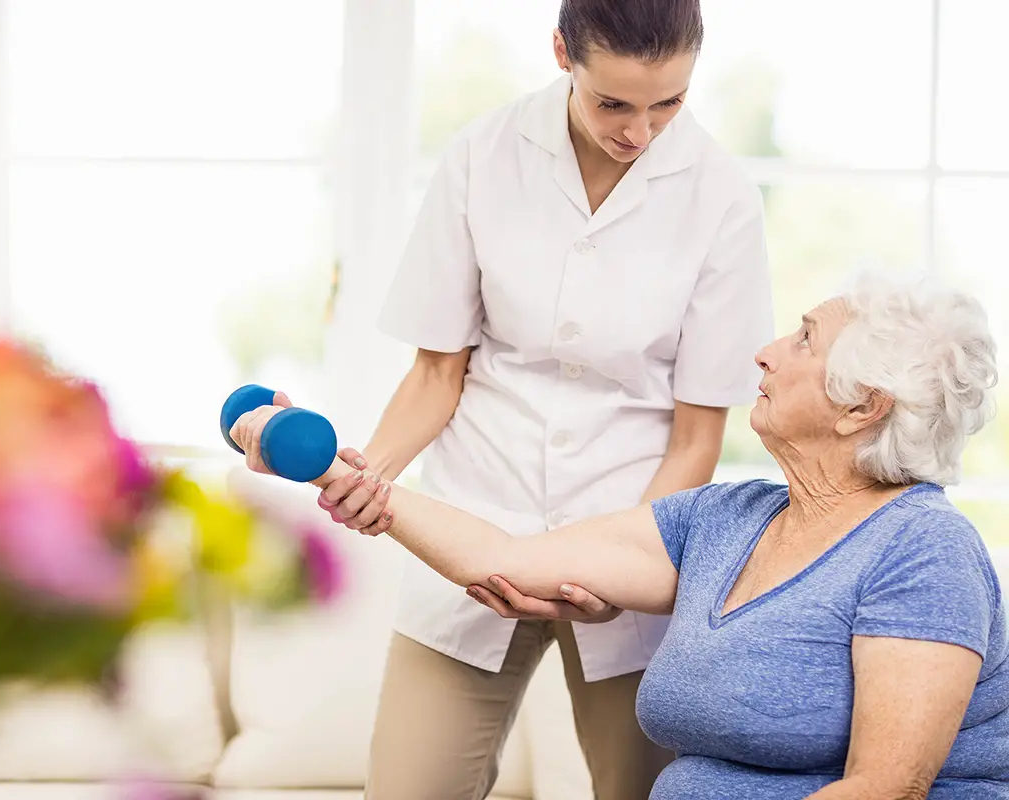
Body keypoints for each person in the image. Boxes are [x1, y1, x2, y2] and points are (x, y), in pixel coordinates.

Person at [230, 274, 1007, 799]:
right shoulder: (726, 518)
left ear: (861, 407)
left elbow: (883, 791)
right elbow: (509, 559)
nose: (766, 351)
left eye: (803, 340)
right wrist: (337, 474)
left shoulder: (922, 551)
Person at [313, 0, 772, 796]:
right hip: (474, 527)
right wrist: (370, 476)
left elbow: (697, 439)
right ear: (563, 51)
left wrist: (617, 572)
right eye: (613, 103)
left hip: (625, 542)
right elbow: (435, 375)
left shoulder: (722, 195)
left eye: (669, 102)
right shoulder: (482, 155)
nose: (640, 131)